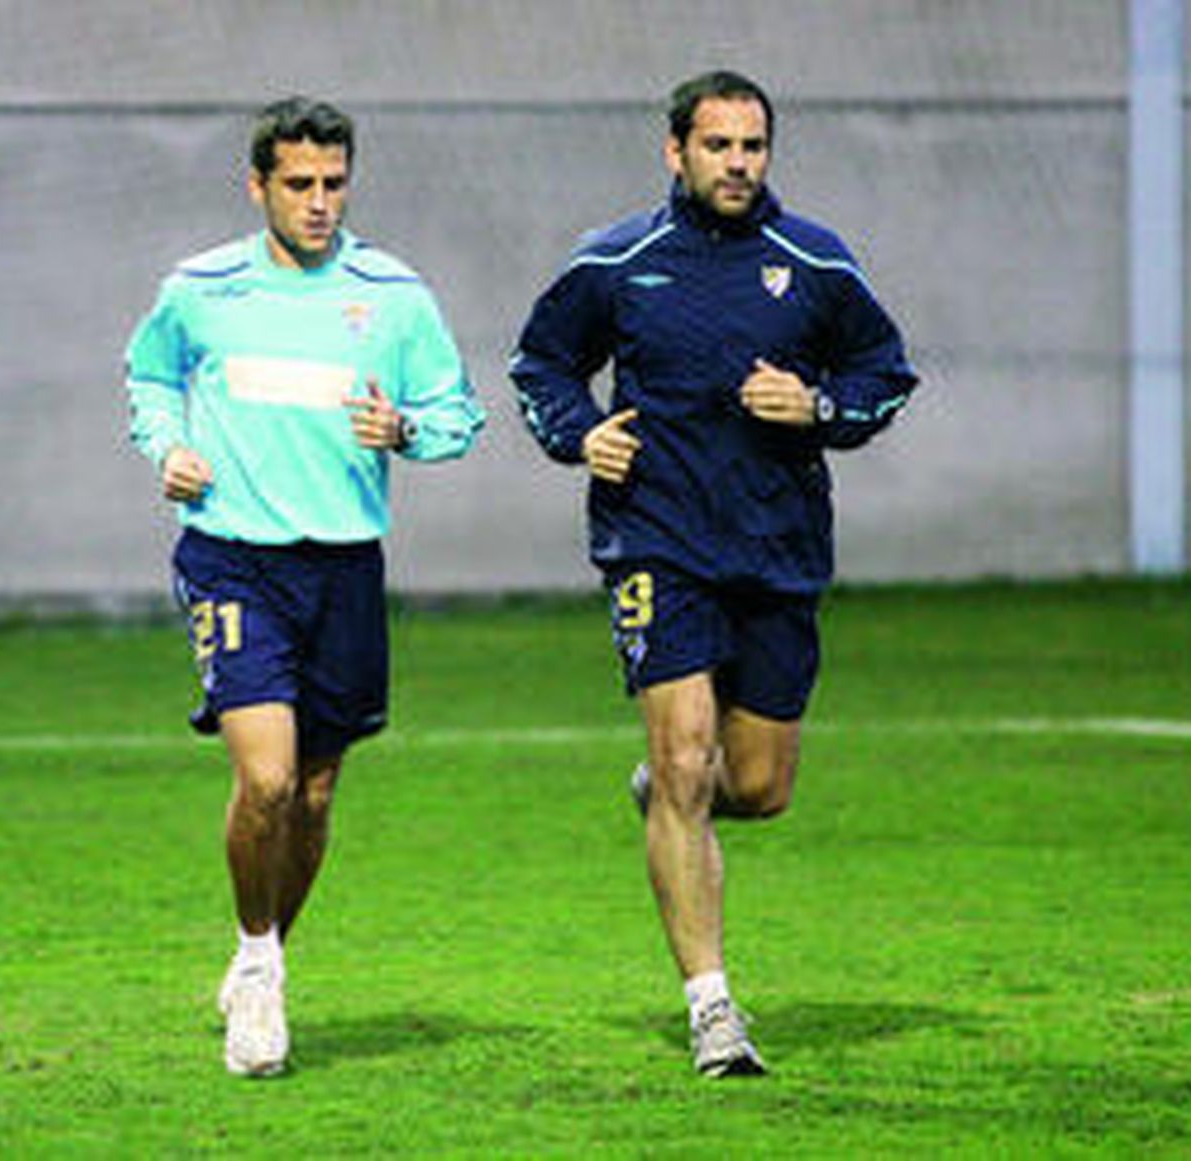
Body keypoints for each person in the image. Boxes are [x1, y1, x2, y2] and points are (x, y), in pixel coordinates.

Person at [510, 70, 917, 1077]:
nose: (736, 164)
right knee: (689, 760)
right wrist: (580, 436)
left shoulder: (813, 261)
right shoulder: (618, 261)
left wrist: (816, 406)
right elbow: (540, 366)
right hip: (655, 542)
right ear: (675, 152)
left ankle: (666, 794)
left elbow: (884, 376)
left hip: (777, 551)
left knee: (760, 787)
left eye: (752, 147)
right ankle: (713, 1010)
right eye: (718, 146)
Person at [123, 96, 484, 1077]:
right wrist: (169, 447)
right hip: (232, 555)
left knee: (315, 796)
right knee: (268, 778)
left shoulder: (394, 296)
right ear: (259, 187)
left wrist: (406, 431)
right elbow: (150, 377)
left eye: (333, 184)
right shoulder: (200, 289)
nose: (319, 202)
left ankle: (263, 959)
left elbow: (459, 414)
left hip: (345, 568)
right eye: (299, 185)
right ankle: (257, 965)